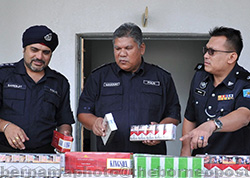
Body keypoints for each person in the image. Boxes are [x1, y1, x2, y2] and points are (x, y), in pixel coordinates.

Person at [77, 22, 181, 154]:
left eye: (128, 48)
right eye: (117, 49)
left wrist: (160, 130)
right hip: (110, 157)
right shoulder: (99, 77)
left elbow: (173, 114)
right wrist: (94, 122)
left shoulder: (161, 77)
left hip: (150, 157)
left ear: (141, 48)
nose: (122, 54)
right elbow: (83, 113)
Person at [0, 25, 75, 153]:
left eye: (46, 52)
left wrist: (65, 133)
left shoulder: (59, 82)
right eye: (34, 50)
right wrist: (5, 126)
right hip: (4, 154)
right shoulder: (4, 75)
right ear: (24, 50)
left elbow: (64, 120)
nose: (39, 57)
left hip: (44, 156)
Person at [180, 26, 250, 156]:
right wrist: (185, 150)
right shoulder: (199, 77)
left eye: (212, 52)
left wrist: (213, 125)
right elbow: (190, 117)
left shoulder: (245, 82)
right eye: (206, 50)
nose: (206, 56)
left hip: (232, 164)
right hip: (200, 159)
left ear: (231, 57)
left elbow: (244, 115)